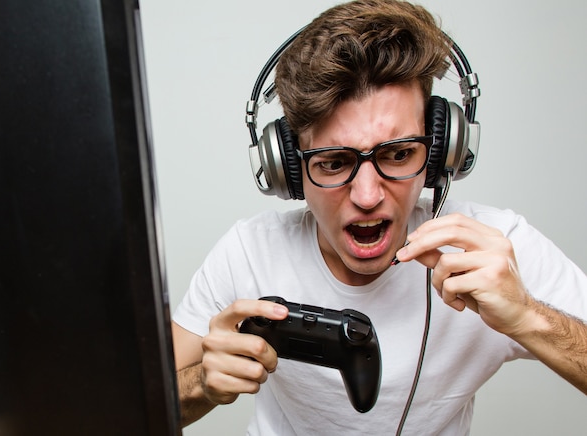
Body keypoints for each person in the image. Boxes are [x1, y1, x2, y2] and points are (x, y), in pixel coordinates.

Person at [170, 0, 587, 434]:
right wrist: (201, 384)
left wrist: (528, 317)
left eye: (399, 153)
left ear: (442, 154)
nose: (367, 196)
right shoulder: (248, 253)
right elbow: (130, 409)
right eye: (332, 162)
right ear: (290, 172)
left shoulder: (493, 251)